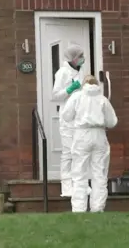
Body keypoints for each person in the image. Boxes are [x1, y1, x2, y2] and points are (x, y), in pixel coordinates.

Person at [61, 75, 118, 213]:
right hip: (99, 135)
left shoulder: (77, 97)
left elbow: (66, 116)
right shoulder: (103, 100)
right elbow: (112, 122)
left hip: (82, 134)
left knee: (79, 173)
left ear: (84, 84)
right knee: (99, 173)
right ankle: (97, 208)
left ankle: (79, 208)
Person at [51, 45, 91, 197]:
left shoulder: (81, 72)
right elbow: (55, 95)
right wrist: (69, 89)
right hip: (67, 118)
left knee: (80, 151)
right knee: (68, 153)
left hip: (80, 116)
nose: (82, 59)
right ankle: (67, 187)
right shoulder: (62, 73)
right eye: (80, 56)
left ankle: (81, 184)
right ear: (73, 58)